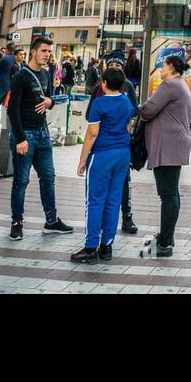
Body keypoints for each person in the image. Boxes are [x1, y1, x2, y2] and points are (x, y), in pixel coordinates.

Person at [7, 36, 74, 241]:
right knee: (21, 181)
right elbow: (12, 109)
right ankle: (17, 222)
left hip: (43, 134)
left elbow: (48, 98)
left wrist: (50, 102)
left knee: (48, 178)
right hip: (25, 134)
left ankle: (51, 221)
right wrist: (19, 138)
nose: (47, 55)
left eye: (49, 52)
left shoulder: (45, 74)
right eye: (44, 51)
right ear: (33, 52)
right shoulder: (21, 76)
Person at [71, 66, 136, 263]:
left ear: (104, 83)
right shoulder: (126, 102)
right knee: (113, 200)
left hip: (102, 155)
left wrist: (82, 160)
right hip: (122, 154)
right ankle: (106, 246)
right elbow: (129, 127)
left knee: (95, 201)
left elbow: (92, 134)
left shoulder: (99, 103)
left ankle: (90, 247)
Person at [138, 54, 191, 257]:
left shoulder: (170, 85)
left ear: (170, 67)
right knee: (172, 194)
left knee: (168, 195)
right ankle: (166, 236)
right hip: (175, 144)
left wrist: (141, 109)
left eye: (162, 67)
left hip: (168, 146)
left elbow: (149, 110)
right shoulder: (180, 84)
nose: (160, 70)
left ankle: (166, 243)